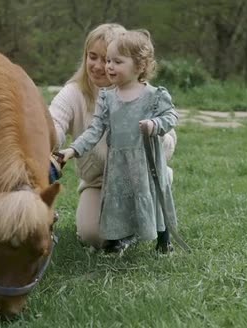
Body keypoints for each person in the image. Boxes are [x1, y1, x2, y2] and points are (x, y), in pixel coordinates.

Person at [50, 25, 178, 252]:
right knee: (94, 236)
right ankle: (123, 232)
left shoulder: (150, 94)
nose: (102, 66)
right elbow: (57, 124)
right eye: (94, 57)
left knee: (149, 206)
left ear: (135, 64)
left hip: (143, 172)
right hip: (102, 180)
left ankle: (159, 234)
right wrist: (56, 148)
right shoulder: (81, 94)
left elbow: (169, 129)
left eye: (112, 60)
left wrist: (153, 131)